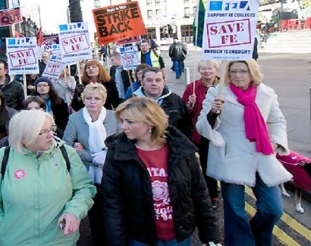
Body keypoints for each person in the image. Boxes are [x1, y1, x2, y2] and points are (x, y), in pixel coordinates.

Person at [196, 60, 293, 245]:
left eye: (243, 71)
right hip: (231, 157)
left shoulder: (266, 93)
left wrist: (276, 142)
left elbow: (277, 121)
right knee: (234, 209)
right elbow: (201, 127)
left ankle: (256, 237)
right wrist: (213, 113)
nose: (237, 75)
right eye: (233, 71)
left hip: (261, 155)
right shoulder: (217, 92)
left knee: (273, 209)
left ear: (253, 73)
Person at [102, 97, 219, 246]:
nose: (123, 127)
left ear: (150, 122)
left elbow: (199, 193)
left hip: (179, 236)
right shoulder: (117, 154)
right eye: (122, 121)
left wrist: (210, 235)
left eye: (130, 122)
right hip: (140, 238)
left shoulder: (181, 149)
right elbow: (114, 204)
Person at [0, 110, 96, 246]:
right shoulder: (2, 157)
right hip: (15, 240)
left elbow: (85, 188)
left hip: (60, 239)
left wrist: (74, 211)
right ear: (24, 136)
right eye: (42, 132)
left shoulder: (66, 153)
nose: (51, 135)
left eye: (51, 129)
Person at [63, 83, 120, 246]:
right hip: (87, 173)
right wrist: (89, 155)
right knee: (94, 212)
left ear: (104, 100)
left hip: (111, 172)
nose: (92, 102)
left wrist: (106, 154)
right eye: (89, 98)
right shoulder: (75, 118)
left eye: (97, 98)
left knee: (114, 211)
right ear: (83, 99)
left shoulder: (114, 116)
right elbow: (67, 145)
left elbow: (121, 144)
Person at [182, 60, 220, 208]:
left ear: (216, 69)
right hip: (199, 132)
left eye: (209, 68)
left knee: (219, 164)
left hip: (219, 132)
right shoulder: (192, 87)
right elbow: (185, 111)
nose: (206, 71)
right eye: (203, 69)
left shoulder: (224, 87)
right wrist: (190, 104)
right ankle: (212, 195)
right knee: (205, 164)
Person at [133, 67, 193, 138]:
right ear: (142, 82)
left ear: (164, 82)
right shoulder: (132, 101)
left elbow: (186, 127)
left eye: (158, 80)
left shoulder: (175, 100)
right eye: (149, 80)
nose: (154, 83)